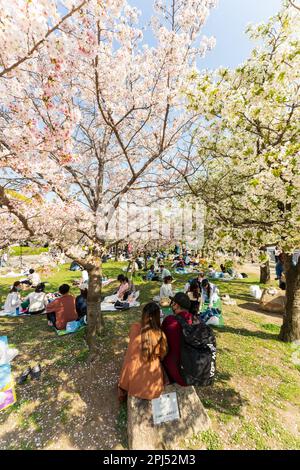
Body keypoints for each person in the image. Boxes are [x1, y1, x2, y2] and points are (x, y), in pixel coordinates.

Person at [118, 302, 168, 400]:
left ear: (143, 315)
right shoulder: (160, 334)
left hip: (129, 378)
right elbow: (163, 355)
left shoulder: (134, 327)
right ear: (157, 317)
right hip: (152, 387)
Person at [161, 292, 193, 386]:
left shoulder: (170, 320)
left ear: (176, 305)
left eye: (172, 302)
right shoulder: (196, 320)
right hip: (193, 370)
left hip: (175, 372)